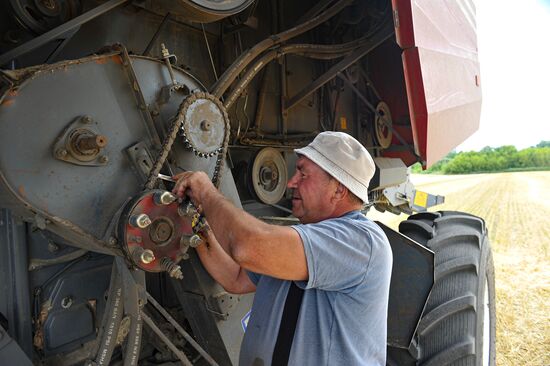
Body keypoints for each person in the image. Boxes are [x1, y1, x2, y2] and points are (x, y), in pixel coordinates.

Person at [173, 131, 393, 366]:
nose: (291, 182)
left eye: (303, 174)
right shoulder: (306, 239)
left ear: (338, 190)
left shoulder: (361, 242)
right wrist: (198, 223)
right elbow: (235, 278)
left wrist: (207, 194)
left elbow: (248, 247)